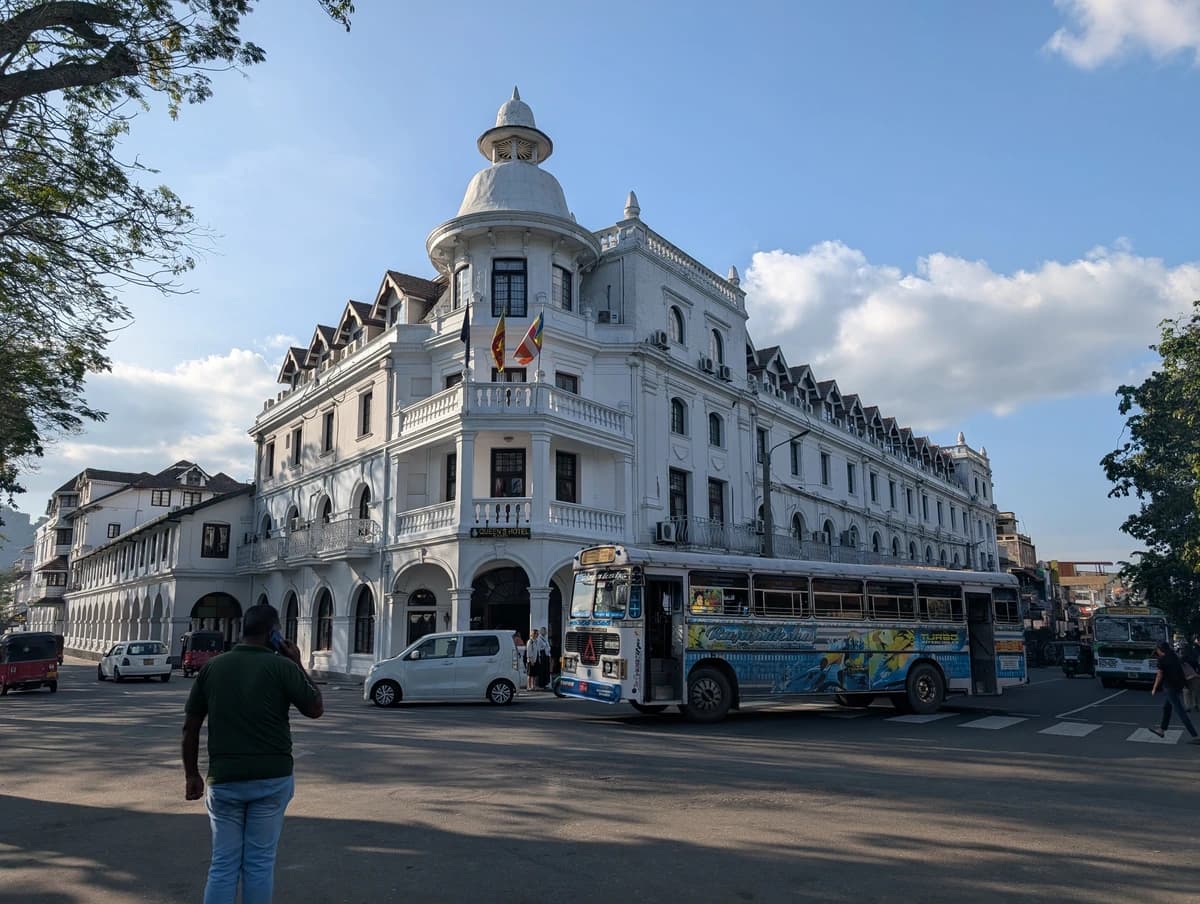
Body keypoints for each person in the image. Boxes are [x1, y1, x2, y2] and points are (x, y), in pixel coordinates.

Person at [182, 603, 324, 904]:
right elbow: (315, 708)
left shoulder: (213, 667)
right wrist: (297, 663)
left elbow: (190, 727)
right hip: (272, 779)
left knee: (223, 864)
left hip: (225, 779)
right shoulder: (282, 667)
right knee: (259, 864)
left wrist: (191, 774)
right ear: (274, 634)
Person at [1149, 640, 1200, 743]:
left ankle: (1195, 736)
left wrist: (1154, 688)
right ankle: (1162, 730)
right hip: (1178, 685)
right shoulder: (1174, 655)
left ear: (1159, 650)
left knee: (1180, 711)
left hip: (1169, 687)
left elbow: (1159, 675)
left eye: (1157, 650)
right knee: (1166, 707)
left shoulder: (1162, 660)